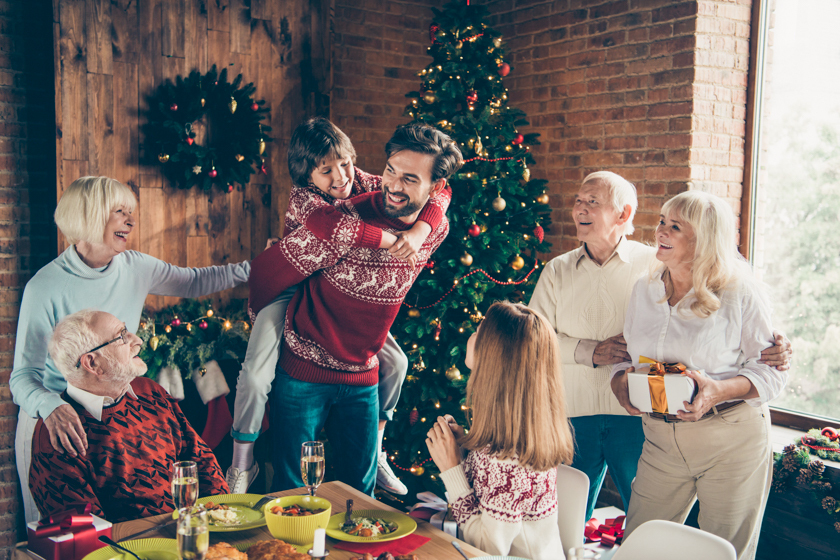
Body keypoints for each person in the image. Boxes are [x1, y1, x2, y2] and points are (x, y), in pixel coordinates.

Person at [529, 171, 792, 522]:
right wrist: (607, 366)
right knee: (610, 531)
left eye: (593, 201)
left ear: (623, 214)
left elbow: (760, 356)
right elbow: (537, 339)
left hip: (689, 429)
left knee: (707, 541)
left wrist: (770, 351)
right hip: (622, 424)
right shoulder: (635, 284)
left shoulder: (682, 272)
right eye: (662, 222)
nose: (662, 232)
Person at [228, 118, 451, 496]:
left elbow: (444, 197)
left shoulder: (375, 189)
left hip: (360, 367)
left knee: (397, 364)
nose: (340, 176)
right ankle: (240, 464)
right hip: (283, 285)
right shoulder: (308, 202)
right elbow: (335, 228)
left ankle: (378, 450)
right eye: (326, 170)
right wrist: (394, 240)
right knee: (255, 376)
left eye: (344, 164)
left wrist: (420, 230)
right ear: (307, 173)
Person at [11, 176, 249, 522]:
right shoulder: (45, 286)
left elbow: (197, 281)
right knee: (61, 538)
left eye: (130, 212)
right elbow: (23, 377)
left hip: (119, 408)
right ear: (89, 216)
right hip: (57, 421)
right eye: (119, 212)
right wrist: (50, 407)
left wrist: (260, 270)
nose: (131, 220)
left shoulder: (135, 266)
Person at [610, 190, 788, 560]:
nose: (661, 231)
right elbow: (626, 353)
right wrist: (620, 381)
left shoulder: (740, 292)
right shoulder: (644, 288)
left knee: (725, 552)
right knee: (639, 547)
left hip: (730, 441)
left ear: (704, 239)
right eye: (662, 221)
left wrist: (717, 391)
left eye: (675, 226)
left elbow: (772, 374)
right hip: (660, 437)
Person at [29, 309, 229, 522]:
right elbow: (89, 535)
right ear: (92, 363)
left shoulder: (150, 391)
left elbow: (200, 458)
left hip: (193, 530)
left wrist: (223, 516)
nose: (138, 340)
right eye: (122, 336)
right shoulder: (58, 437)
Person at [425, 301, 575, 560]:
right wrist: (468, 445)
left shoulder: (507, 461)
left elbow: (485, 551)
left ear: (494, 359)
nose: (472, 334)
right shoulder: (512, 438)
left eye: (480, 331)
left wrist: (452, 470)